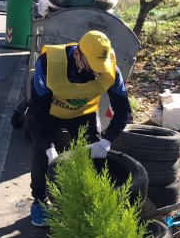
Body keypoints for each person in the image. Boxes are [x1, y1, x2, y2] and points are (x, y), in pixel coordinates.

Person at [26, 30, 131, 227]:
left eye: (101, 67)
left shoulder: (111, 70)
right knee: (41, 157)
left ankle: (88, 201)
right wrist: (50, 149)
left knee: (95, 159)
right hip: (50, 113)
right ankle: (39, 202)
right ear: (77, 55)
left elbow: (124, 109)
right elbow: (36, 113)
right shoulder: (49, 64)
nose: (97, 73)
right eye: (93, 67)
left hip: (84, 114)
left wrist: (107, 141)